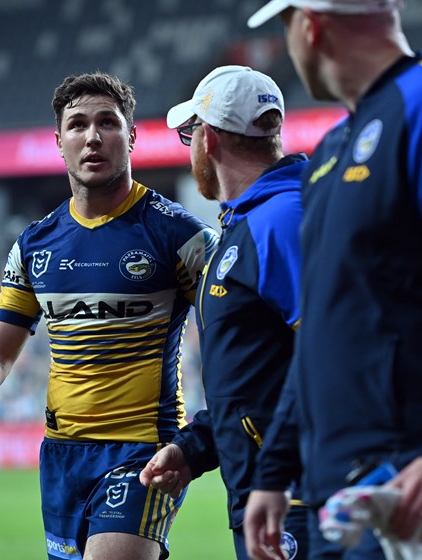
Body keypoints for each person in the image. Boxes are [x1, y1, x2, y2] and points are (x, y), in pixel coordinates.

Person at [243, 2, 422, 560]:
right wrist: (274, 470)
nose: (288, 45)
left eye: (285, 27)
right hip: (335, 485)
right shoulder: (330, 151)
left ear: (311, 26)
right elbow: (322, 331)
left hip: (413, 471)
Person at [0, 71, 219, 560]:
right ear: (59, 142)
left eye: (108, 123)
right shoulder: (36, 244)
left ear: (132, 136)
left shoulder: (179, 235)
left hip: (143, 449)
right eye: (77, 125)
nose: (92, 136)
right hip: (61, 456)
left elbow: (234, 325)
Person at [137, 65, 311, 560]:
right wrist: (196, 449)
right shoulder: (254, 222)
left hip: (300, 499)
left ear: (208, 139)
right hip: (274, 493)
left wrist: (280, 472)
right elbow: (261, 378)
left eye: (189, 134)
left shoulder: (281, 220)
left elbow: (337, 355)